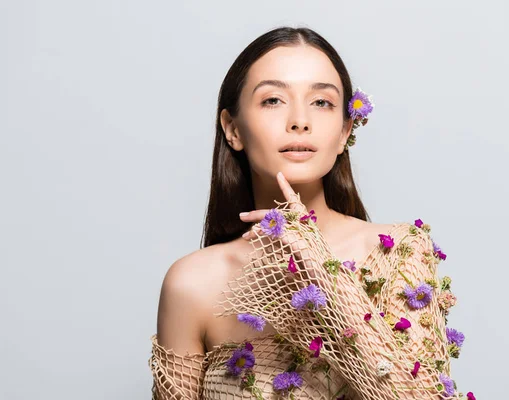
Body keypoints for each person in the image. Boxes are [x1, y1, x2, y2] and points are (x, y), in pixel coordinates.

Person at [149, 26, 474, 400]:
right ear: (233, 129)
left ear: (343, 131)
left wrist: (323, 274)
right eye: (273, 100)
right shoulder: (191, 284)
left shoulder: (399, 253)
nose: (299, 120)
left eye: (322, 102)